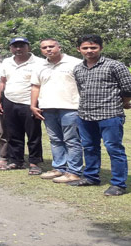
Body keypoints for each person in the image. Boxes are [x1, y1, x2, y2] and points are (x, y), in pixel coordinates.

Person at [70, 34, 131, 196]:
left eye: (93, 47)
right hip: (85, 115)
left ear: (101, 48)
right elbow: (81, 90)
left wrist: (124, 103)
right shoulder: (78, 68)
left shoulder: (115, 66)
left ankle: (118, 184)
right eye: (85, 48)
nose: (89, 51)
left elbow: (127, 89)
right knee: (89, 147)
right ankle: (91, 177)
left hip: (110, 114)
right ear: (79, 49)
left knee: (114, 149)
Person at [30, 39, 83, 183]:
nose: (48, 49)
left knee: (72, 140)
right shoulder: (39, 66)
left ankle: (74, 172)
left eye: (51, 46)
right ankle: (59, 168)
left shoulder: (75, 63)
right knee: (55, 140)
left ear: (59, 47)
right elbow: (36, 86)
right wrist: (33, 105)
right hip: (48, 107)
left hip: (70, 107)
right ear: (41, 50)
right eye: (44, 47)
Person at [0, 37, 45, 174]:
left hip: (30, 103)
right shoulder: (6, 62)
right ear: (10, 48)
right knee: (13, 133)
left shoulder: (39, 62)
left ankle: (34, 162)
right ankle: (16, 160)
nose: (18, 49)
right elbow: (2, 82)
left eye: (21, 46)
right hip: (9, 101)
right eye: (14, 46)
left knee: (33, 134)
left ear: (28, 47)